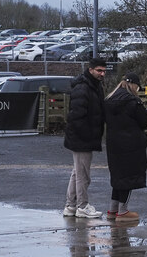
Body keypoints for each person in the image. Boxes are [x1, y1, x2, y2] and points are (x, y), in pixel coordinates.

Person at [104, 72, 147, 223]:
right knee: (129, 176)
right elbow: (143, 121)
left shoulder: (109, 99)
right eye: (137, 87)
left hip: (113, 143)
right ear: (133, 85)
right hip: (131, 144)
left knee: (118, 175)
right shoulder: (133, 101)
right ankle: (123, 211)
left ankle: (112, 210)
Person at [63, 57, 107, 218]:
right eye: (99, 70)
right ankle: (82, 206)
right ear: (91, 70)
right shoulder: (84, 88)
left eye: (104, 71)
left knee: (77, 172)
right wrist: (85, 136)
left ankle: (70, 205)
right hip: (82, 138)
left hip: (83, 137)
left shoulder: (93, 86)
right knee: (83, 174)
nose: (102, 74)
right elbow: (76, 116)